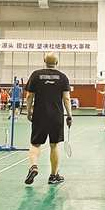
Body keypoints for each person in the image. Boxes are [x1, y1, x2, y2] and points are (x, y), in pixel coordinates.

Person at [24, 52, 72, 185]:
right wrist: (69, 115)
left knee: (35, 144)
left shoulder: (35, 75)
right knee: (54, 145)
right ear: (57, 63)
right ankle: (53, 176)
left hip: (39, 115)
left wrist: (29, 112)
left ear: (44, 61)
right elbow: (66, 98)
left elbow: (29, 96)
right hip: (56, 116)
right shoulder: (63, 77)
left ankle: (33, 166)